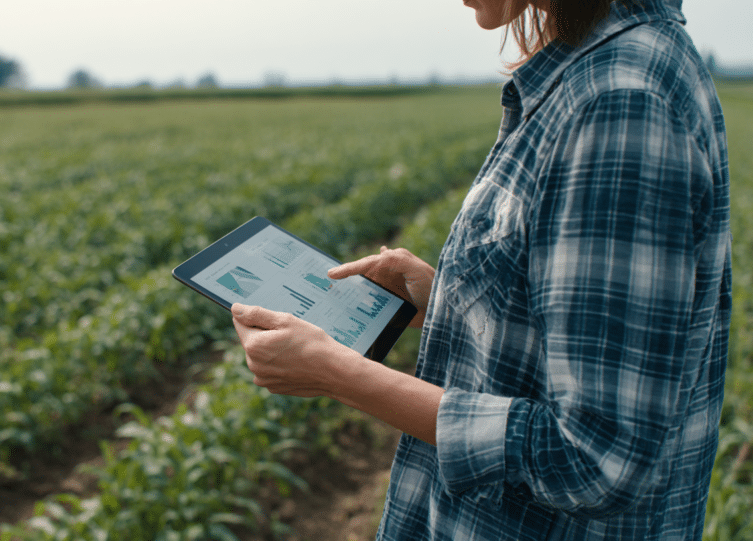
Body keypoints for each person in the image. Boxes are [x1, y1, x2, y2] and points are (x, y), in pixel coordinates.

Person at [231, 0, 732, 539]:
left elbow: (593, 460)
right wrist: (451, 301)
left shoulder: (617, 104)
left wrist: (338, 374)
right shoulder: (614, 67)